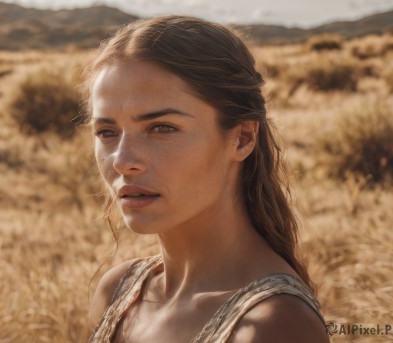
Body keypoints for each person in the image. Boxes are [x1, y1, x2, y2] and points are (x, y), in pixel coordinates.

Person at [82, 15, 329, 343]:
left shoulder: (274, 326)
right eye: (107, 132)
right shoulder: (117, 293)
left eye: (162, 128)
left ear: (241, 138)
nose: (123, 161)